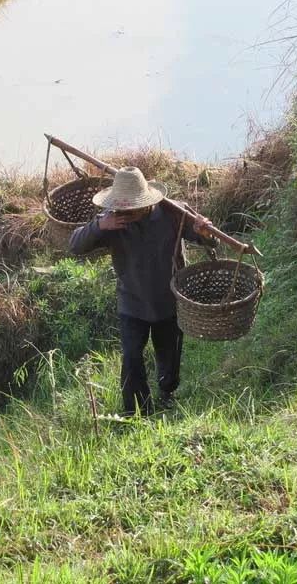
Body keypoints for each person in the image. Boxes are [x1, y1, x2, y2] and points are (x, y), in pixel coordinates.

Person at [70, 166, 216, 416]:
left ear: (146, 202)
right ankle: (136, 410)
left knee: (169, 356)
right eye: (122, 206)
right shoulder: (111, 220)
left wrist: (205, 231)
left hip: (168, 300)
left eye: (132, 207)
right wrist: (100, 226)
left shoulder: (172, 212)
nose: (126, 211)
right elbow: (75, 245)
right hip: (132, 302)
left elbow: (207, 238)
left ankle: (167, 393)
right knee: (131, 357)